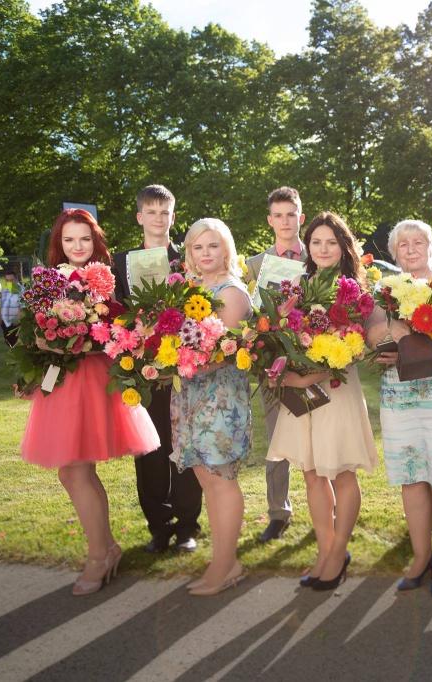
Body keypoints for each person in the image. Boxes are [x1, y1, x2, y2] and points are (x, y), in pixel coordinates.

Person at [20, 209, 160, 595]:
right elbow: (33, 329)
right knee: (74, 473)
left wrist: (80, 335)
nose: (77, 246)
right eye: (69, 240)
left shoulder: (103, 277)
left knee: (75, 472)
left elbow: (114, 326)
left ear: (94, 241)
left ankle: (100, 556)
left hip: (91, 380)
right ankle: (106, 549)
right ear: (59, 243)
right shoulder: (50, 280)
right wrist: (43, 344)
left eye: (84, 238)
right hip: (62, 380)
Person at [267, 212, 378, 591]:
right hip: (302, 393)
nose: (323, 249)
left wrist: (306, 376)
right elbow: (280, 334)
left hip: (335, 390)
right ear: (308, 246)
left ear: (343, 247)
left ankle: (338, 550)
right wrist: (282, 364)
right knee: (312, 473)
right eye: (316, 242)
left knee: (341, 471)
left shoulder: (355, 292)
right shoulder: (296, 287)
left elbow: (354, 347)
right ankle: (326, 550)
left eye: (331, 242)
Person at [366, 219, 432, 598]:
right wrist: (394, 334)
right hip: (401, 396)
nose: (411, 249)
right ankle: (421, 556)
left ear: (431, 247)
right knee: (411, 477)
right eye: (403, 244)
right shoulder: (383, 293)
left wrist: (423, 351)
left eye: (418, 242)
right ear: (394, 252)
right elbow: (373, 337)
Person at [112, 185, 202, 555]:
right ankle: (158, 527)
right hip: (141, 370)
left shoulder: (187, 260)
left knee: (183, 447)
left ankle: (187, 527)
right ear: (139, 217)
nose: (158, 219)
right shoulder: (122, 261)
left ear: (173, 217)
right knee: (149, 450)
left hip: (181, 370)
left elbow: (199, 309)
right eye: (151, 212)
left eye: (165, 212)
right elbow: (115, 313)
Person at [171, 218, 253, 596]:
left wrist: (172, 359)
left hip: (220, 397)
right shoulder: (189, 289)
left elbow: (222, 352)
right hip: (189, 394)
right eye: (198, 247)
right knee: (205, 478)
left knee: (221, 479)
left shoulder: (231, 292)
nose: (205, 254)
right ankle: (224, 561)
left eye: (213, 246)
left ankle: (225, 566)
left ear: (226, 249)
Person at [245, 186, 307, 543]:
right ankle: (278, 512)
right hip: (271, 365)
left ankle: (327, 508)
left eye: (291, 214)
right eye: (278, 215)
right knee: (276, 441)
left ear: (301, 217)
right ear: (270, 220)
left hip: (313, 362)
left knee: (319, 439)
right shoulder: (255, 264)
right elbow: (247, 316)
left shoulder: (317, 256)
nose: (285, 222)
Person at [0, 268, 24, 348]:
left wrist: (19, 320)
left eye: (11, 280)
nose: (9, 282)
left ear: (16, 279)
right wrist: (0, 317)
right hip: (5, 323)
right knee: (9, 343)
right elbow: (2, 304)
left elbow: (23, 307)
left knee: (17, 345)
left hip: (16, 323)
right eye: (7, 280)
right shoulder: (4, 290)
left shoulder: (22, 290)